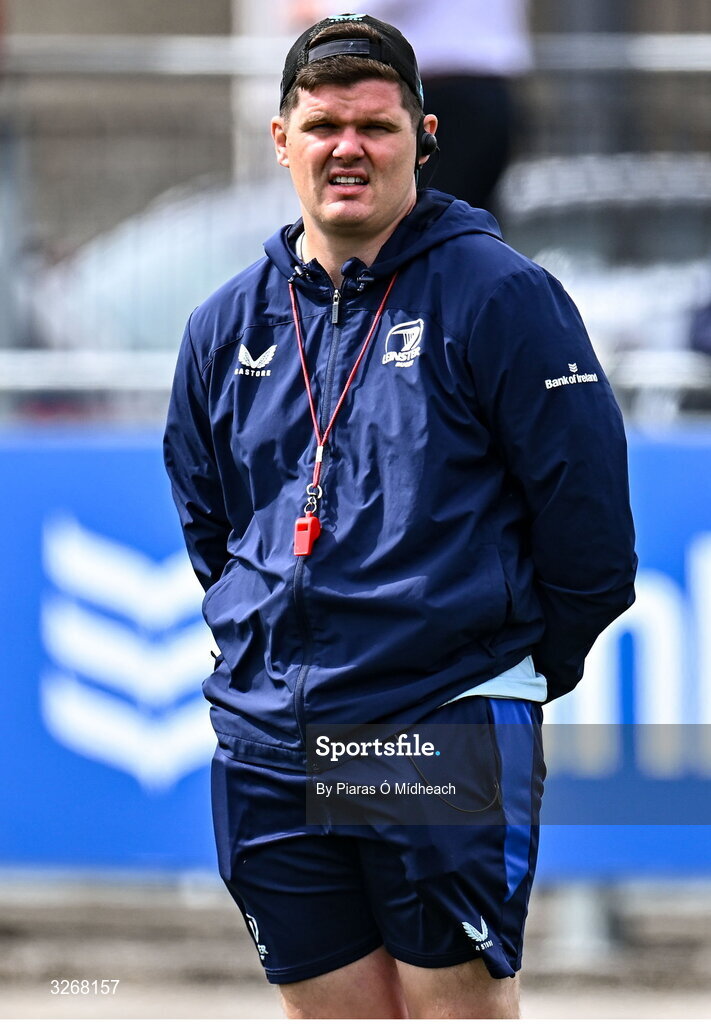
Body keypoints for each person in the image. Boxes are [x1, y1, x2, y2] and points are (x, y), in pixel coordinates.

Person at [164, 13, 637, 1018]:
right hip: (270, 735)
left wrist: (487, 670)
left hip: (433, 715)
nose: (349, 148)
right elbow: (213, 529)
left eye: (376, 126)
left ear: (423, 136)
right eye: (325, 123)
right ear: (280, 137)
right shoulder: (223, 326)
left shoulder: (500, 296)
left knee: (452, 1007)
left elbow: (590, 535)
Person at [290, 0, 532, 211]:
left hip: (443, 89)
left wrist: (320, 9)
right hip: (490, 87)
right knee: (468, 214)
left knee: (430, 216)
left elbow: (370, 8)